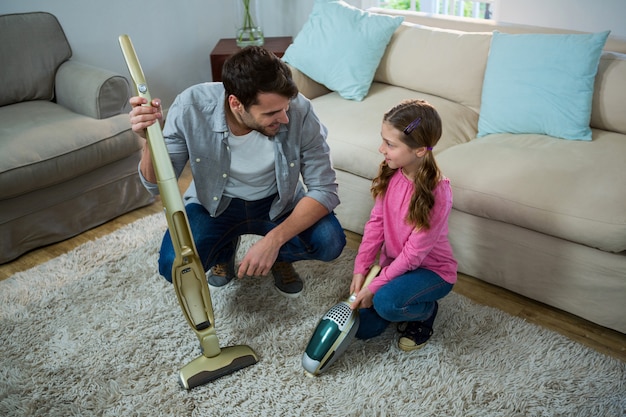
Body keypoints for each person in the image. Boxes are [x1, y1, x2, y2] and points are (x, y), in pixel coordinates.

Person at [129, 46, 346, 297]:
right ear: (236, 103)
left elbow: (324, 189)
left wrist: (273, 241)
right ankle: (225, 250)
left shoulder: (300, 110)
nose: (285, 118)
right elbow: (156, 186)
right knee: (173, 267)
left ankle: (278, 257)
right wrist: (149, 140)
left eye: (285, 108)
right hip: (214, 205)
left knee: (330, 242)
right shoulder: (191, 106)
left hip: (278, 202)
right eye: (271, 113)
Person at [349, 99, 457, 351]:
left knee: (386, 302)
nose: (381, 149)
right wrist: (360, 269)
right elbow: (375, 224)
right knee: (362, 330)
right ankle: (398, 297)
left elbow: (413, 255)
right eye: (383, 140)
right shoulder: (391, 171)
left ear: (419, 150)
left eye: (390, 144)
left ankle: (426, 312)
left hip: (432, 271)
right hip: (396, 265)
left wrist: (375, 286)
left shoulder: (438, 192)